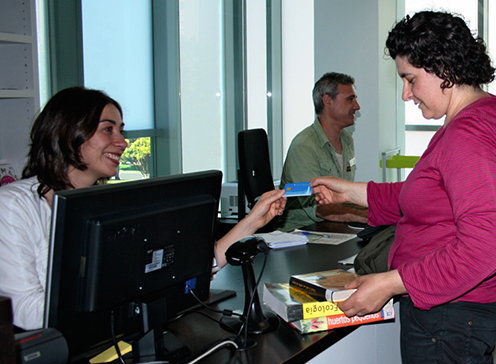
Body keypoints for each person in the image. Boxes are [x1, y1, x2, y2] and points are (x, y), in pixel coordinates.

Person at [311, 11, 496, 364]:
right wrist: (353, 191)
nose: (406, 94)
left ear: (444, 68)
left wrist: (390, 283)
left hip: (447, 318)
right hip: (468, 312)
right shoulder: (486, 114)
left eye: (410, 79)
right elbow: (425, 196)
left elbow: (483, 248)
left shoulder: (466, 136)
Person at [0, 87, 285, 331]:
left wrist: (252, 222)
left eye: (121, 131)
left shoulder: (109, 204)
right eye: (108, 129)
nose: (122, 142)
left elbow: (182, 271)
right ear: (67, 132)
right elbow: (25, 311)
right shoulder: (14, 206)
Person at [278, 72, 367, 230]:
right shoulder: (304, 146)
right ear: (327, 101)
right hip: (300, 233)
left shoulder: (347, 140)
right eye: (350, 99)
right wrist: (368, 216)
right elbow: (318, 207)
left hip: (332, 227)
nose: (357, 106)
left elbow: (345, 197)